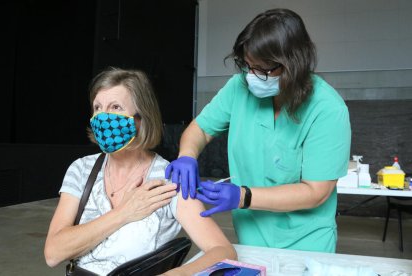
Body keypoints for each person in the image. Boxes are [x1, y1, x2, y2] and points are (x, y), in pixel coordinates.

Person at [165, 8, 351, 253]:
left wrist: (243, 197)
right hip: (250, 237)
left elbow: (316, 192)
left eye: (263, 70)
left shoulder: (327, 109)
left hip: (306, 243)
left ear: (294, 65)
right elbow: (200, 128)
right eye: (247, 65)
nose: (251, 76)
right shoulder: (239, 87)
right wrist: (187, 156)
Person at [44, 68, 236, 275]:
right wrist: (125, 212)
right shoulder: (82, 169)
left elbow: (223, 251)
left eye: (115, 107)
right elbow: (53, 253)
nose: (103, 117)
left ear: (141, 118)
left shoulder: (169, 179)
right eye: (97, 108)